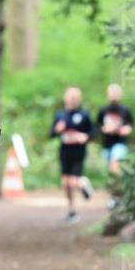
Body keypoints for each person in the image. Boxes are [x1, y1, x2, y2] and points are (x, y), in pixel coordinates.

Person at [50, 86, 94, 223]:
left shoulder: (84, 115)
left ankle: (83, 183)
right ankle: (72, 211)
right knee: (65, 184)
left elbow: (93, 132)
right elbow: (51, 134)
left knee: (73, 181)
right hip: (64, 152)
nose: (72, 100)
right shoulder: (60, 115)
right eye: (70, 97)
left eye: (74, 97)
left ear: (79, 99)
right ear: (65, 98)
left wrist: (85, 137)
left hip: (78, 153)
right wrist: (57, 130)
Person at [96, 83, 133, 209]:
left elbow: (130, 126)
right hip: (107, 145)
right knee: (112, 173)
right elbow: (97, 127)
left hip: (120, 144)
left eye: (116, 93)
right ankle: (115, 197)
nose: (114, 96)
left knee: (114, 165)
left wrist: (122, 129)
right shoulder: (103, 110)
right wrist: (104, 129)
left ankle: (118, 197)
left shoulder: (125, 110)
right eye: (111, 93)